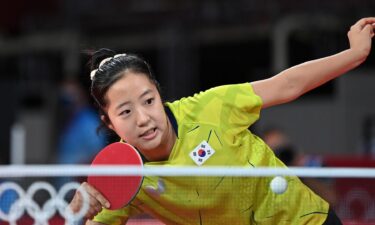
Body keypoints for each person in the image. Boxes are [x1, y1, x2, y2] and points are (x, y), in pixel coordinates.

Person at [69, 17, 375, 225]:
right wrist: (77, 215)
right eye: (125, 112)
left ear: (159, 96)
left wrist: (354, 55)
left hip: (305, 220)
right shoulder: (123, 176)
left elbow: (286, 85)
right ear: (109, 123)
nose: (144, 118)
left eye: (148, 101)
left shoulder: (210, 108)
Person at [262, 127, 338, 207]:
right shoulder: (259, 171)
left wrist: (301, 172)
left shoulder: (313, 165)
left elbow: (332, 200)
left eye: (282, 149)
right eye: (274, 152)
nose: (281, 156)